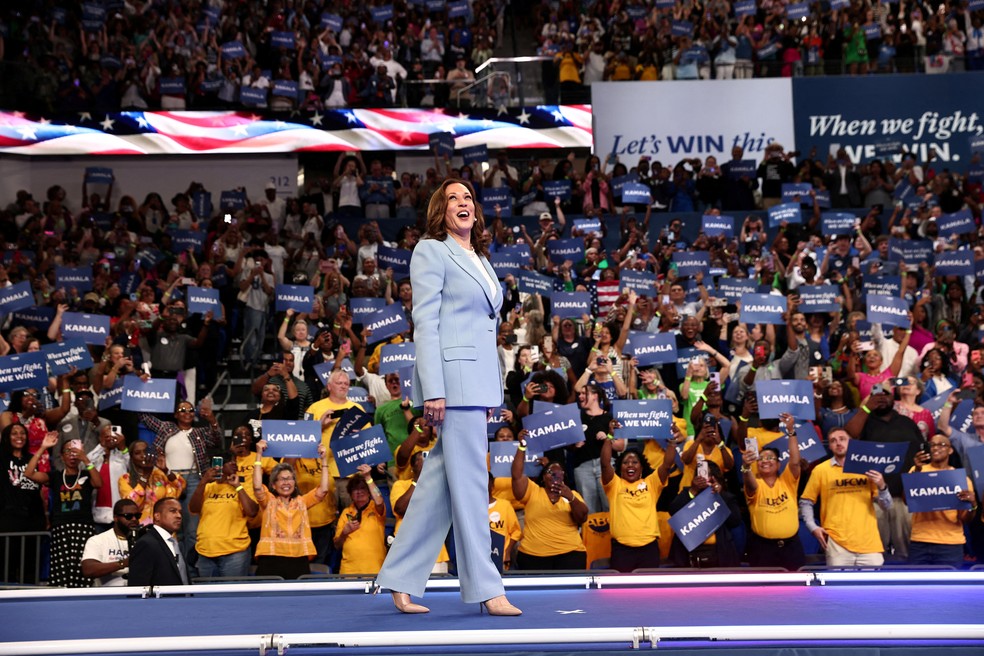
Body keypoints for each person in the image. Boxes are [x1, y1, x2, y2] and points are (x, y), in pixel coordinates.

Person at [375, 179, 520, 616]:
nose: (463, 203)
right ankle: (486, 588)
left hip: (475, 383)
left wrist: (492, 388)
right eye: (453, 197)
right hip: (452, 384)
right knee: (474, 485)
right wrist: (432, 389)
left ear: (476, 211)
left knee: (439, 485)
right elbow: (426, 322)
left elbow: (485, 330)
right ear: (442, 209)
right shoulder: (431, 250)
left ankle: (400, 581)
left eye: (469, 198)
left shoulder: (481, 259)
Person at [799, 428, 892, 567]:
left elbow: (887, 506)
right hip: (837, 543)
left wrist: (882, 486)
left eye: (842, 439)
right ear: (829, 446)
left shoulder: (867, 467)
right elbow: (806, 501)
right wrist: (813, 527)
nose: (838, 443)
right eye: (833, 441)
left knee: (871, 588)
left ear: (851, 442)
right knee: (837, 588)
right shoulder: (820, 470)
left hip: (869, 542)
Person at [25, 431, 103, 587]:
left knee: (83, 571)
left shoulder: (87, 475)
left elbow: (99, 483)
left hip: (84, 528)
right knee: (61, 573)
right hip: (62, 528)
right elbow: (29, 474)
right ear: (61, 456)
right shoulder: (55, 476)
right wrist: (43, 447)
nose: (72, 455)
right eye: (68, 451)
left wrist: (85, 459)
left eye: (75, 451)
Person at [601, 424, 681, 572]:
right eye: (625, 462)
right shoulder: (614, 485)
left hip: (649, 549)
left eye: (634, 462)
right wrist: (609, 438)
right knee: (622, 592)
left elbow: (667, 465)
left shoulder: (651, 483)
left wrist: (671, 442)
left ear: (642, 467)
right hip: (622, 549)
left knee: (647, 592)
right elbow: (605, 465)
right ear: (620, 467)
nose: (630, 465)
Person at [252, 440, 330, 580]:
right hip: (270, 559)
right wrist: (258, 455)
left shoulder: (301, 502)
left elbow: (323, 489)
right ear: (274, 485)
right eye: (281, 479)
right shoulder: (269, 501)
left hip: (298, 559)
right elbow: (257, 487)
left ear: (295, 483)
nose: (286, 482)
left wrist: (324, 460)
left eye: (290, 479)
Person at [510, 436, 588, 570]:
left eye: (559, 472)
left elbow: (583, 517)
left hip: (571, 554)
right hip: (533, 556)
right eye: (551, 472)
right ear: (543, 478)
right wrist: (522, 446)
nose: (555, 475)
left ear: (564, 476)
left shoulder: (572, 495)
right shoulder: (533, 491)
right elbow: (517, 476)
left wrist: (570, 498)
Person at [741, 413, 806, 571]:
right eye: (761, 458)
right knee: (764, 592)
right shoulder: (757, 484)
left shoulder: (787, 482)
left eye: (770, 458)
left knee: (796, 592)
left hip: (792, 547)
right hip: (762, 549)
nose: (765, 461)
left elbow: (795, 462)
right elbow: (749, 484)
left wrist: (791, 431)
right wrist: (746, 467)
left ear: (778, 465)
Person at [907, 434, 977, 567]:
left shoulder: (961, 479)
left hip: (950, 544)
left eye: (941, 445)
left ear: (950, 450)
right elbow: (907, 501)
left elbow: (965, 518)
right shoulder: (917, 470)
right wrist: (916, 471)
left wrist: (973, 505)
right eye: (932, 445)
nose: (935, 448)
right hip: (920, 540)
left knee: (949, 587)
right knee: (918, 587)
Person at [189, 453, 258, 578]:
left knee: (233, 596)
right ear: (216, 465)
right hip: (206, 551)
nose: (233, 463)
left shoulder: (243, 486)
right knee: (207, 597)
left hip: (234, 552)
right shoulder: (207, 487)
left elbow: (252, 512)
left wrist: (237, 486)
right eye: (227, 461)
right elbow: (193, 509)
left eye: (234, 460)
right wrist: (203, 482)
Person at [334, 465, 387, 576]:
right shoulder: (346, 512)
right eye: (355, 489)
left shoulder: (376, 508)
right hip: (349, 571)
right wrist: (344, 533)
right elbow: (337, 545)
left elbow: (379, 500)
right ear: (350, 494)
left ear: (369, 492)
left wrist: (368, 477)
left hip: (374, 570)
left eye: (363, 488)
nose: (359, 492)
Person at [128, 497, 189, 586]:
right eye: (173, 511)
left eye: (180, 512)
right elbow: (138, 586)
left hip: (185, 599)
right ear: (157, 516)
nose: (179, 516)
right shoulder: (146, 544)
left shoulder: (176, 543)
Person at [81, 499, 140, 586]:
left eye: (137, 516)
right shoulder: (98, 540)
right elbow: (88, 570)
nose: (134, 519)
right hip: (107, 595)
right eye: (128, 516)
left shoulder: (145, 540)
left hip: (139, 593)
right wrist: (123, 563)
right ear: (115, 518)